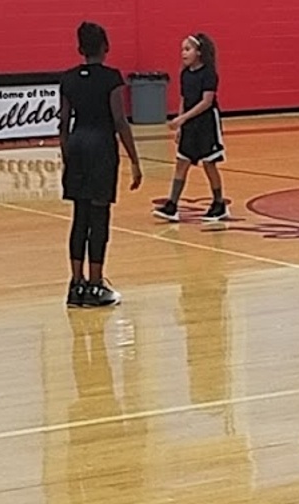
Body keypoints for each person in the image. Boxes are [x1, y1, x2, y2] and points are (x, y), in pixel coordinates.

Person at [59, 22, 142, 307]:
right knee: (99, 217)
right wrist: (134, 159)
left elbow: (63, 122)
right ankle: (96, 285)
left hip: (77, 144)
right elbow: (119, 120)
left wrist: (66, 153)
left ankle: (75, 284)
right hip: (101, 147)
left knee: (79, 218)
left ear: (80, 48)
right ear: (105, 46)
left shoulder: (68, 79)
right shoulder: (111, 79)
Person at [153, 33, 228, 222]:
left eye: (187, 49)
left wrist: (183, 118)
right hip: (190, 124)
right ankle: (172, 205)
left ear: (199, 52)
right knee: (181, 163)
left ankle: (219, 204)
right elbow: (184, 99)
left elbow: (206, 102)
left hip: (206, 123)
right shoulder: (185, 74)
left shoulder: (209, 73)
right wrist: (180, 123)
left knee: (209, 163)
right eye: (182, 49)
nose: (183, 53)